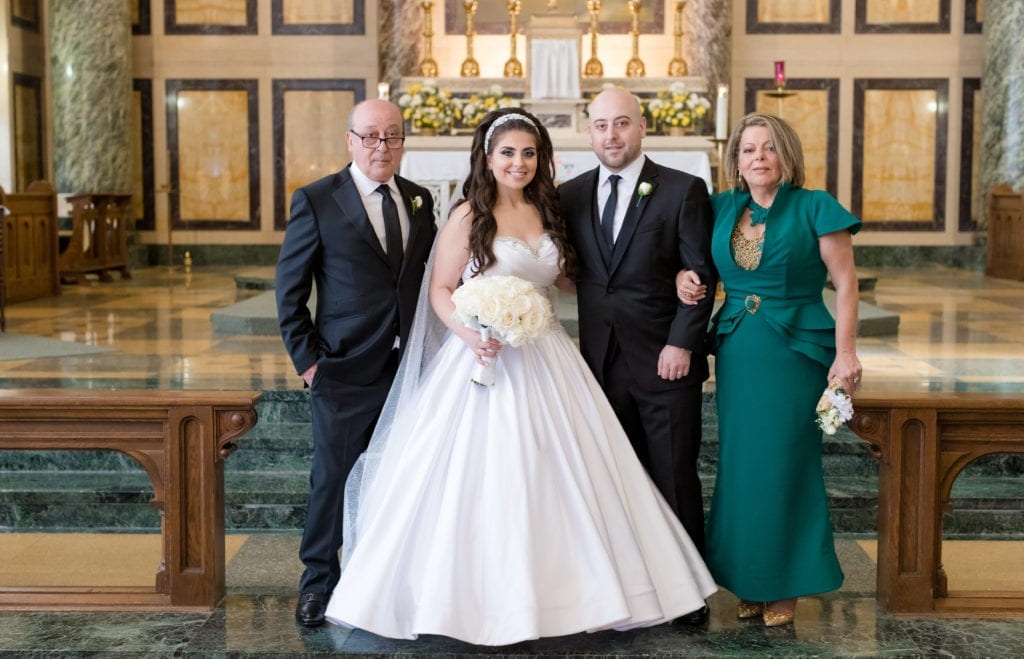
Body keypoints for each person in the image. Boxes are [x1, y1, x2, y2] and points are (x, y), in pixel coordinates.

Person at [323, 108, 716, 646]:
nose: (519, 163)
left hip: (549, 354)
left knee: (570, 473)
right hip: (483, 357)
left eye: (529, 153)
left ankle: (584, 594)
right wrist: (471, 334)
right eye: (508, 153)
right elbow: (439, 290)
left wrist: (668, 273)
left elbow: (582, 278)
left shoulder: (550, 211)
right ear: (488, 158)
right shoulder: (468, 215)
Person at [677, 112, 862, 627]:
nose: (757, 157)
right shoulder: (720, 207)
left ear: (786, 155)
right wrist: (684, 278)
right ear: (736, 161)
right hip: (738, 347)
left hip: (796, 351)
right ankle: (751, 581)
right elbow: (691, 259)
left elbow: (846, 285)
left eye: (768, 148)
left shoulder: (815, 207)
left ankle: (785, 586)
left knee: (786, 462)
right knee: (740, 464)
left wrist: (846, 353)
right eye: (747, 150)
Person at [557, 87, 718, 625]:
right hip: (597, 364)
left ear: (642, 126)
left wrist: (682, 342)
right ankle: (633, 585)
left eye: (621, 124)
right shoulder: (571, 195)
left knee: (673, 472)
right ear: (589, 132)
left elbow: (702, 271)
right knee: (617, 478)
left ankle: (690, 591)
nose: (611, 136)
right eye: (601, 126)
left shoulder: (682, 190)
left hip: (664, 359)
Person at [275, 98, 436, 627]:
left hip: (408, 368)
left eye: (392, 136)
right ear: (350, 140)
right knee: (333, 479)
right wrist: (310, 363)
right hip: (342, 368)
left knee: (400, 479)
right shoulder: (317, 200)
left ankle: (384, 583)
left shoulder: (419, 200)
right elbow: (290, 293)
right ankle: (318, 583)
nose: (381, 147)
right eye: (370, 136)